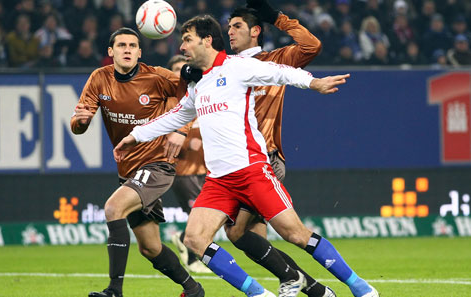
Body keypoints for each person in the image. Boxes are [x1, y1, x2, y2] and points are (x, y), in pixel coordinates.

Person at [114, 15, 378, 297]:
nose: (182, 47)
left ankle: (359, 286)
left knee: (296, 235)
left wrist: (314, 83)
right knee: (194, 239)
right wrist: (135, 135)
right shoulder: (199, 84)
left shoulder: (237, 67)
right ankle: (257, 293)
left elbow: (282, 73)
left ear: (206, 40)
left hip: (252, 171)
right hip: (219, 181)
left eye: (187, 39)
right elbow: (177, 115)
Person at [70, 27, 204, 297]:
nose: (127, 49)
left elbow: (193, 92)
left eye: (133, 45)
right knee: (150, 247)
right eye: (121, 45)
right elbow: (77, 123)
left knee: (112, 208)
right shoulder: (99, 78)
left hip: (157, 164)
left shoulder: (156, 76)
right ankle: (193, 289)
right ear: (111, 52)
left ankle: (114, 291)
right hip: (129, 170)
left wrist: (180, 130)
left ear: (140, 52)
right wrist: (80, 122)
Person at [225, 3, 334, 297]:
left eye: (237, 26)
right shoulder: (227, 68)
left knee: (239, 233)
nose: (230, 31)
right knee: (253, 240)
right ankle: (318, 291)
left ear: (256, 31)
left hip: (265, 159)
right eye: (229, 26)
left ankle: (338, 286)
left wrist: (278, 18)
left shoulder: (276, 60)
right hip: (240, 162)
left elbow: (311, 45)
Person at [167, 55, 212, 274]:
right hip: (183, 172)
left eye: (182, 68)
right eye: (175, 69)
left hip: (205, 169)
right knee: (200, 215)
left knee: (208, 216)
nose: (179, 72)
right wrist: (186, 141)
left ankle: (184, 240)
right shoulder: (169, 102)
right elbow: (161, 135)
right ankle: (193, 258)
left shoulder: (199, 95)